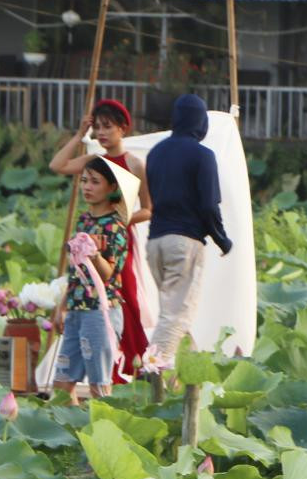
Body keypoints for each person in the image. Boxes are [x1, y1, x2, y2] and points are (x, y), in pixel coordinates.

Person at [51, 98, 152, 383]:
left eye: (108, 127)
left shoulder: (134, 163)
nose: (102, 133)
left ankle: (132, 365)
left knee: (123, 300)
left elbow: (147, 209)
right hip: (91, 235)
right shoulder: (94, 162)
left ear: (123, 128)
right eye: (98, 128)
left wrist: (117, 221)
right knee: (87, 291)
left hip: (117, 239)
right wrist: (79, 134)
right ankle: (107, 370)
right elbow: (57, 165)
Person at [143, 93, 232, 369]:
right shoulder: (202, 156)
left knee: (173, 312)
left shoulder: (156, 152)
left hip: (155, 242)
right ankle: (152, 373)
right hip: (183, 243)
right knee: (176, 315)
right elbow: (208, 206)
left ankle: (189, 376)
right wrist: (222, 239)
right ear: (200, 122)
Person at [51, 157, 140, 405]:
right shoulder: (84, 221)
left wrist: (95, 254)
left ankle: (100, 434)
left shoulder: (116, 227)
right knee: (62, 383)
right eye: (84, 181)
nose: (87, 187)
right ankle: (71, 431)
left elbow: (108, 274)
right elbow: (76, 272)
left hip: (100, 313)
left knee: (99, 385)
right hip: (77, 309)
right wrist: (63, 306)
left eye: (95, 182)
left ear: (112, 188)